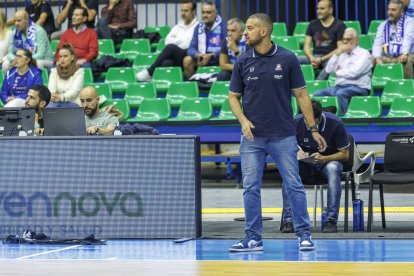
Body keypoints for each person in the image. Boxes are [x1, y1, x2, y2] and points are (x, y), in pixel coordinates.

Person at [228, 13, 326, 252]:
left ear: (263, 31)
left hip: (283, 135)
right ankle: (253, 237)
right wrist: (242, 120)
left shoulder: (288, 58)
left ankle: (303, 234)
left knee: (293, 184)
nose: (245, 32)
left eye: (249, 28)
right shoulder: (242, 61)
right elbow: (233, 97)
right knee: (251, 187)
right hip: (252, 138)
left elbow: (302, 95)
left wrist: (312, 128)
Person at [281, 99, 350, 234]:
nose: (310, 126)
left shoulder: (335, 123)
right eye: (307, 122)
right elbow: (287, 148)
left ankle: (330, 221)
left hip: (327, 163)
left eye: (313, 123)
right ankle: (288, 220)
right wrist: (296, 153)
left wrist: (325, 158)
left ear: (320, 117)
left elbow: (345, 154)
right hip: (306, 165)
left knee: (333, 168)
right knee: (289, 170)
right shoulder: (296, 122)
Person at [312, 28, 372, 116]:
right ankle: (320, 118)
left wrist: (338, 71)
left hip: (358, 87)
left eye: (348, 39)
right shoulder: (341, 54)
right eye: (343, 39)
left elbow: (355, 73)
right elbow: (328, 69)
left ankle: (342, 118)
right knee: (317, 94)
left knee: (341, 94)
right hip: (339, 86)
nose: (345, 42)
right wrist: (336, 54)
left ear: (356, 40)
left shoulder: (364, 54)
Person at [136, 0, 199, 82]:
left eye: (186, 11)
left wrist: (175, 41)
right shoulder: (178, 26)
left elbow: (187, 44)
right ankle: (173, 88)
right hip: (176, 56)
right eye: (182, 10)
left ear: (193, 11)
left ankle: (150, 72)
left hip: (188, 56)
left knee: (171, 48)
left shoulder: (197, 26)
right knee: (167, 62)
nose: (183, 13)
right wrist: (179, 41)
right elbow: (167, 41)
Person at [299, 0, 346, 80]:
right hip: (315, 57)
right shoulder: (313, 24)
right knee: (291, 59)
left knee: (332, 64)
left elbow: (340, 49)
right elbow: (306, 45)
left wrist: (321, 59)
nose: (318, 11)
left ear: (330, 10)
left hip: (330, 58)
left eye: (322, 9)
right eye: (318, 9)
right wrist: (311, 57)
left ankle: (317, 85)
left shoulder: (340, 25)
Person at [183, 1, 227, 78]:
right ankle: (196, 84)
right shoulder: (199, 27)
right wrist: (198, 55)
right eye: (203, 12)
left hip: (218, 58)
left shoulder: (224, 25)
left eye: (208, 12)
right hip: (202, 59)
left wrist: (212, 55)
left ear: (215, 14)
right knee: (187, 60)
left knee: (224, 57)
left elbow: (227, 46)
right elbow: (191, 48)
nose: (205, 15)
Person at [372, 0, 414, 78]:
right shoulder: (383, 25)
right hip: (387, 56)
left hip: (403, 55)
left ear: (401, 11)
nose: (390, 12)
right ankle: (376, 85)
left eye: (393, 10)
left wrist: (405, 53)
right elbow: (377, 43)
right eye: (388, 9)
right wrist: (377, 58)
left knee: (408, 60)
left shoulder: (410, 22)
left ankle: (407, 87)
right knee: (372, 58)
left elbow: (408, 38)